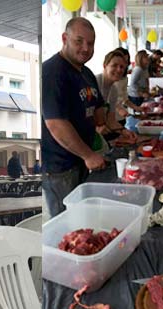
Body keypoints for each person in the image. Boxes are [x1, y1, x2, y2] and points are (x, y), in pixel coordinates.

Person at [41, 17, 106, 218]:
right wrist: (88, 155)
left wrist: (119, 131)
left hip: (82, 161)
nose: (85, 48)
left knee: (84, 217)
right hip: (60, 168)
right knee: (67, 224)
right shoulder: (51, 72)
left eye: (90, 43)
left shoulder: (86, 73)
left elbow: (99, 112)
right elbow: (55, 124)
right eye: (79, 41)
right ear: (64, 38)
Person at [95, 50, 136, 141]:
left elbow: (111, 121)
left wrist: (124, 131)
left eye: (122, 67)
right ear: (105, 65)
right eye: (114, 65)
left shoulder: (113, 90)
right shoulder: (94, 83)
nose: (119, 70)